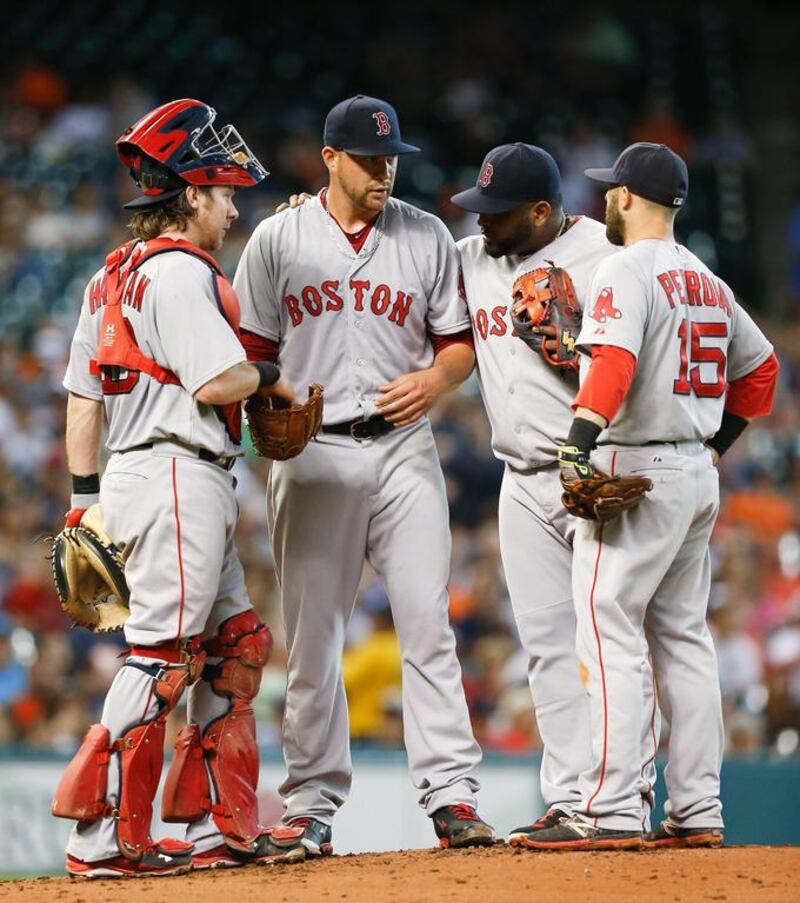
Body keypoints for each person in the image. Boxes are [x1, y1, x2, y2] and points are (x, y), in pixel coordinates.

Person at [233, 94, 494, 854]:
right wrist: (268, 404)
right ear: (330, 159)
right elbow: (250, 348)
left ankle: (452, 796)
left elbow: (456, 342)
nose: (385, 170)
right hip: (311, 450)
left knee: (427, 622)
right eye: (371, 159)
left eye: (391, 159)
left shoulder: (426, 235)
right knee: (314, 638)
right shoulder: (278, 238)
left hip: (405, 444)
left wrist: (439, 382)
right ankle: (310, 804)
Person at [54, 99, 307, 878]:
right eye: (224, 192)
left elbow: (80, 400)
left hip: (142, 472)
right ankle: (101, 839)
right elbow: (218, 381)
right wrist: (272, 374)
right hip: (175, 472)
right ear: (190, 194)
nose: (233, 207)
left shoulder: (112, 276)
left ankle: (214, 828)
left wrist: (85, 497)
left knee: (236, 646)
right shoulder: (180, 273)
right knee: (161, 657)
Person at [519, 142, 779, 850]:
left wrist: (576, 443)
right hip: (694, 471)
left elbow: (616, 362)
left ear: (629, 198)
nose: (604, 199)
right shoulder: (705, 277)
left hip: (639, 462)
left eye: (612, 191)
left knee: (607, 625)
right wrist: (712, 449)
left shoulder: (625, 266)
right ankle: (696, 808)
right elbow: (762, 374)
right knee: (684, 638)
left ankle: (606, 808)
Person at [450, 144, 659, 838]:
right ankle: (572, 797)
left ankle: (626, 796)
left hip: (596, 471)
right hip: (519, 474)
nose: (484, 223)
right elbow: (398, 249)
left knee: (611, 639)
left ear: (541, 211)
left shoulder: (613, 257)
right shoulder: (470, 257)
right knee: (545, 644)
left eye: (498, 213)